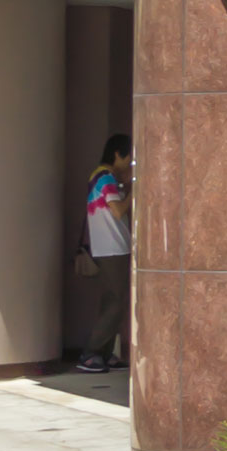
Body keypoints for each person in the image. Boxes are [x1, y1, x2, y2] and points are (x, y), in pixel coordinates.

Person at [78, 133, 132, 374]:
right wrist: (136, 190)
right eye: (128, 157)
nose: (129, 163)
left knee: (112, 302)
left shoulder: (100, 176)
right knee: (116, 303)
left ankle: (105, 353)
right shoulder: (105, 176)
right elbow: (118, 210)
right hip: (113, 248)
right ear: (118, 154)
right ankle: (91, 354)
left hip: (108, 248)